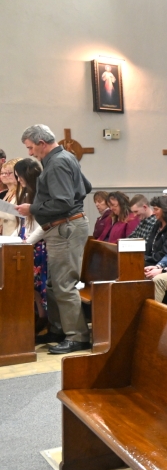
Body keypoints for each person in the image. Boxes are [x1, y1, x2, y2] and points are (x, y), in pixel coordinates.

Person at [17, 125, 93, 354]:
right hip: (63, 227)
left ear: (41, 142)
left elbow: (63, 203)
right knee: (53, 283)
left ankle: (77, 336)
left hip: (65, 228)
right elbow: (86, 187)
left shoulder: (58, 162)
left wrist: (33, 208)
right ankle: (59, 329)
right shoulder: (65, 157)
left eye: (31, 148)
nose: (30, 153)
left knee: (63, 284)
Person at [14, 157, 49, 331]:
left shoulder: (41, 194)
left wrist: (27, 242)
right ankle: (40, 316)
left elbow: (43, 225)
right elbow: (24, 223)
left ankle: (45, 318)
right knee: (32, 285)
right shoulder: (27, 192)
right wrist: (15, 239)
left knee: (39, 284)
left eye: (19, 176)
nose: (18, 180)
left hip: (39, 245)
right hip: (29, 242)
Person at [145, 195, 167, 266]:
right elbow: (149, 245)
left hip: (163, 263)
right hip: (152, 260)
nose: (153, 213)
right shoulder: (157, 224)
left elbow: (165, 253)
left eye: (156, 209)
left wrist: (145, 258)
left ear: (166, 209)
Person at [0, 158, 22, 236]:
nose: (4, 175)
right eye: (2, 173)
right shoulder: (7, 192)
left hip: (14, 233)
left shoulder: (21, 193)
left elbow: (14, 214)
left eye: (8, 173)